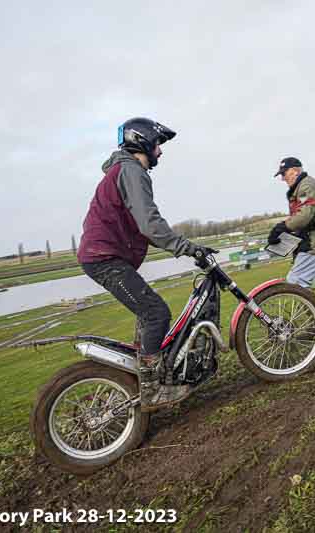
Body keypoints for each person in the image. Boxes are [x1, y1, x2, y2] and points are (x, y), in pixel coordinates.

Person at [77, 117, 215, 412]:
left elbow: (144, 228)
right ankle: (152, 391)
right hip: (105, 258)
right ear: (143, 142)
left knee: (146, 315)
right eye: (158, 145)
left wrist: (184, 247)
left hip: (103, 255)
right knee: (156, 314)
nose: (160, 152)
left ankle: (145, 378)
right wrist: (187, 247)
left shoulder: (122, 170)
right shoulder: (131, 170)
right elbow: (150, 224)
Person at [267, 157, 315, 333]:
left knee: (295, 282)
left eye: (284, 174)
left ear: (295, 170)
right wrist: (284, 232)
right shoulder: (302, 187)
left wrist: (281, 227)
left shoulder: (308, 185)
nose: (283, 178)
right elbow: (302, 218)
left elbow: (304, 217)